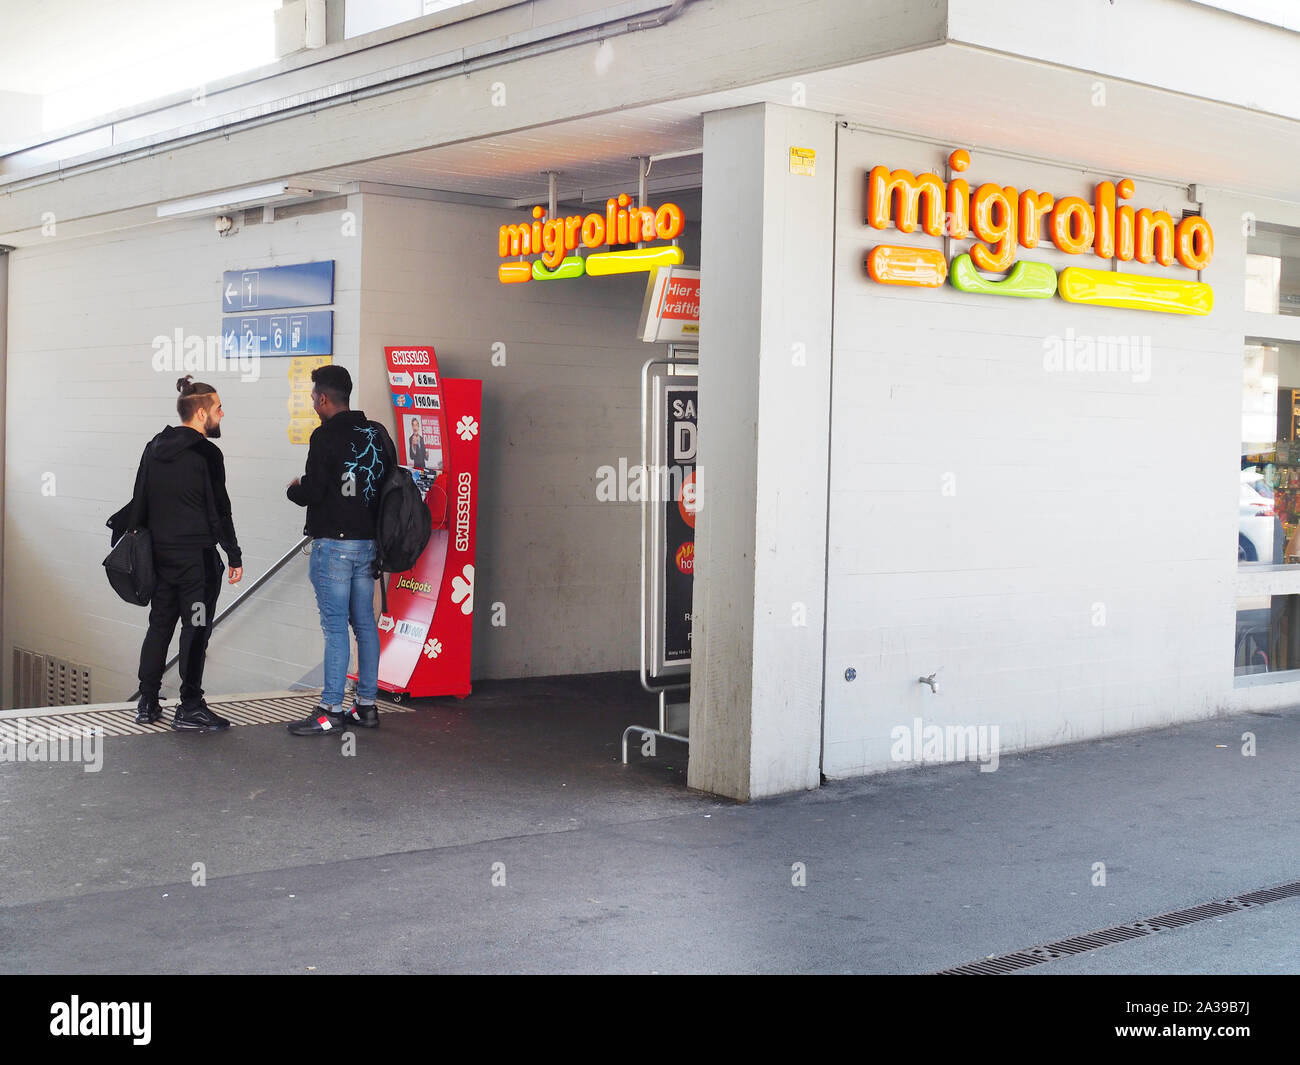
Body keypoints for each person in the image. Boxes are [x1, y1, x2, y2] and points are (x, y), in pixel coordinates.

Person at [286, 364, 395, 735]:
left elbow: (313, 491)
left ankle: (330, 710)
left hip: (334, 545)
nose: (314, 402)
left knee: (335, 628)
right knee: (364, 624)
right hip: (368, 545)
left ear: (324, 399)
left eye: (314, 396)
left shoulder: (325, 437)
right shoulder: (374, 433)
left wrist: (294, 488)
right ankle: (366, 706)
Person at [134, 377, 244, 729]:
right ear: (200, 413)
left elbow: (140, 500)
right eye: (218, 409)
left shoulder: (154, 447)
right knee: (195, 629)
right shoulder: (207, 454)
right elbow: (219, 511)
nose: (222, 415)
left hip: (161, 558)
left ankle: (147, 702)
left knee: (159, 627)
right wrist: (234, 554)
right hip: (196, 563)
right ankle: (190, 706)